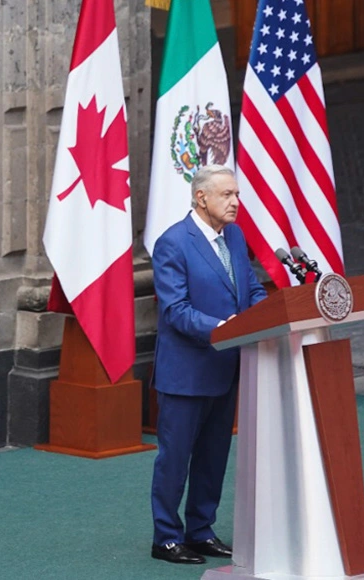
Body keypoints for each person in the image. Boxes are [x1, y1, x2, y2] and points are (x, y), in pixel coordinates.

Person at [149, 165, 267, 564]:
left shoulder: (234, 236)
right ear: (201, 198)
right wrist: (223, 328)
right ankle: (166, 538)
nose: (235, 203)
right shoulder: (173, 243)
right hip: (186, 373)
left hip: (226, 369)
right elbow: (175, 310)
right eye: (226, 195)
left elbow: (251, 289)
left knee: (213, 457)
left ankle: (200, 531)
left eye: (237, 195)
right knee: (175, 459)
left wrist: (267, 315)